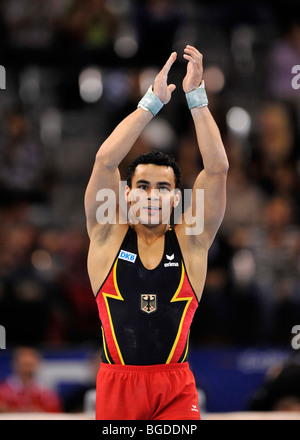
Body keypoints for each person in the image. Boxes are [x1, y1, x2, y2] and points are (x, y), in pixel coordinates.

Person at [84, 45, 228, 420]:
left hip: (176, 388)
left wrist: (196, 98)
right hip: (118, 386)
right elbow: (105, 161)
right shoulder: (107, 236)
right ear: (125, 194)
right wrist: (151, 103)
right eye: (142, 185)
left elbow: (216, 170)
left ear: (176, 199)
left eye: (162, 188)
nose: (151, 195)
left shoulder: (191, 240)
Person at [0, 347, 62, 413]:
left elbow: (55, 414)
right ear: (15, 363)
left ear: (37, 364)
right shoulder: (2, 391)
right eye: (24, 364)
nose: (26, 369)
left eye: (29, 364)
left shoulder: (47, 393)